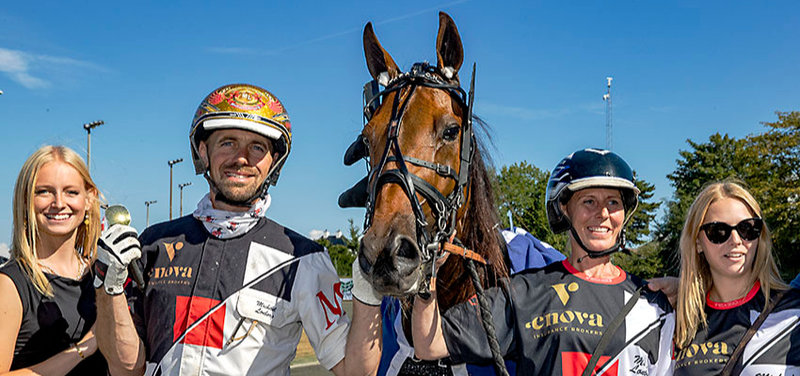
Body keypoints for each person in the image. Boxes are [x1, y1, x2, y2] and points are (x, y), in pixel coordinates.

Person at [94, 84, 381, 376]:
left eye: (257, 147)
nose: (241, 158)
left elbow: (356, 371)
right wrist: (108, 287)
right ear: (203, 152)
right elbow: (125, 368)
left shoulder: (304, 259)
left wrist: (368, 283)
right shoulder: (153, 244)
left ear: (274, 163)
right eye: (227, 142)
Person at [411, 148, 674, 375]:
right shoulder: (523, 293)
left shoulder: (654, 305)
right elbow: (429, 344)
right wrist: (427, 274)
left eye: (613, 202)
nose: (603, 213)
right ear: (564, 208)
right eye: (589, 201)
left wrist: (693, 285)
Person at [673, 181, 800, 375]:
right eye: (718, 232)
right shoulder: (675, 319)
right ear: (697, 242)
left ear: (760, 235)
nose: (735, 240)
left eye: (747, 229)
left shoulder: (794, 311)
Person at [0, 145, 107, 374]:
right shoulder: (10, 284)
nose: (59, 203)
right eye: (44, 191)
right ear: (26, 200)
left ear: (90, 199)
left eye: (71, 192)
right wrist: (82, 349)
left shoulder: (103, 277)